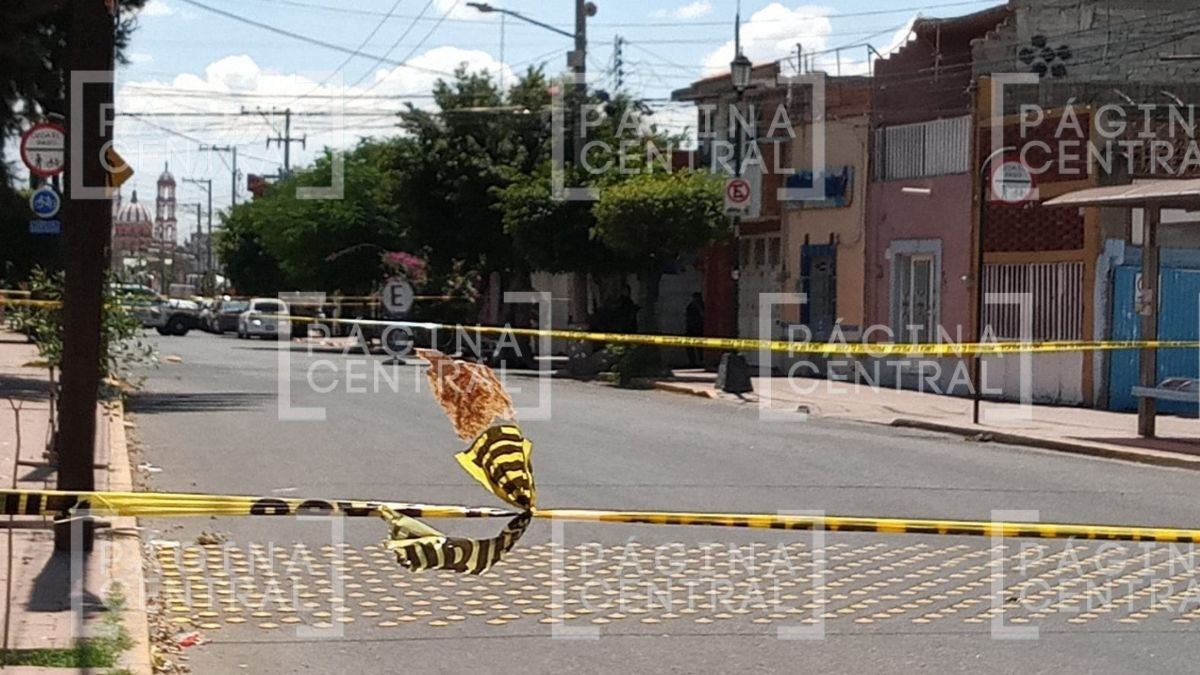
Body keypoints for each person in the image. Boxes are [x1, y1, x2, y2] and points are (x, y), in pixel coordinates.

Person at [685, 292, 705, 368]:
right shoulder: (690, 306)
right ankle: (692, 362)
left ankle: (701, 360)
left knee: (700, 347)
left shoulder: (702, 306)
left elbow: (703, 315)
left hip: (699, 329)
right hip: (690, 328)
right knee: (689, 347)